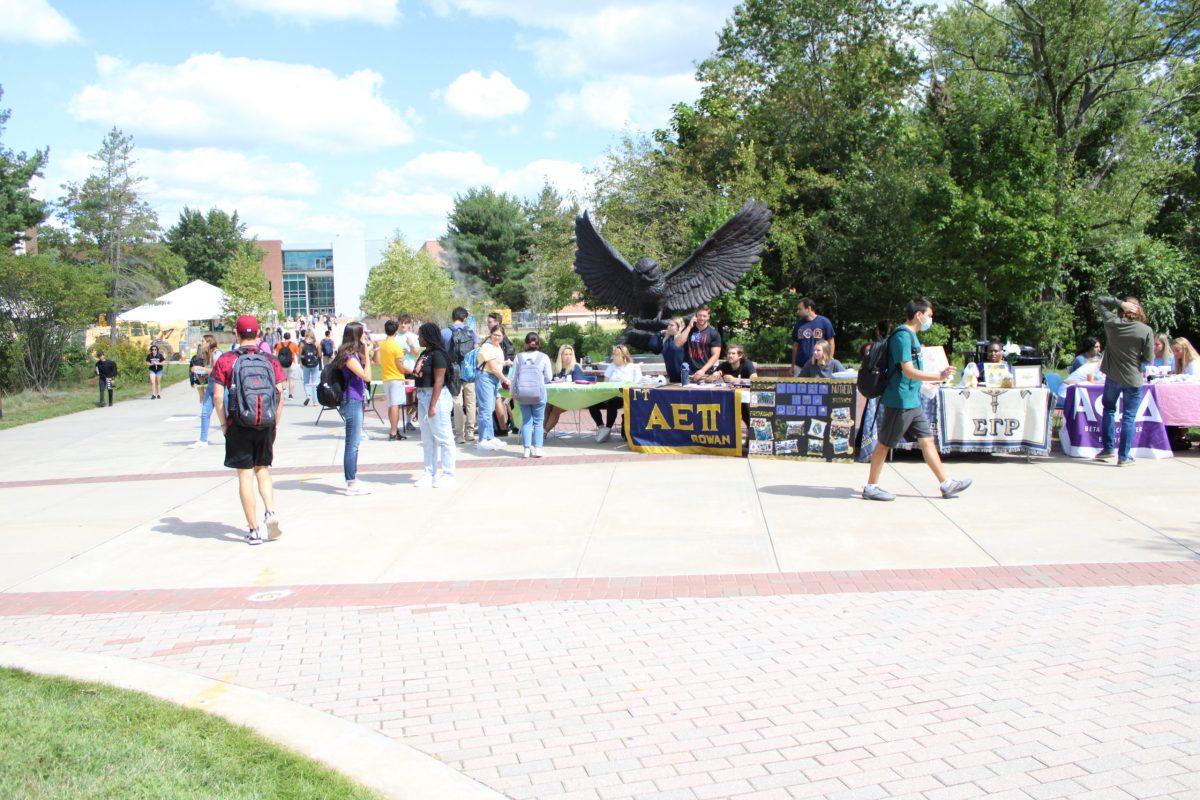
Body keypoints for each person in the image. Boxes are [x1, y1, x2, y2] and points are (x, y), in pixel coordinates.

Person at [863, 298, 972, 502]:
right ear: (918, 315)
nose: (931, 319)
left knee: (927, 440)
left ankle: (946, 484)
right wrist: (937, 377)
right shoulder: (903, 337)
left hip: (912, 400)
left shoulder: (911, 336)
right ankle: (871, 486)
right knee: (885, 443)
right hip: (900, 400)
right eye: (929, 315)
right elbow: (908, 370)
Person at [211, 315, 285, 545]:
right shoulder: (270, 360)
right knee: (263, 470)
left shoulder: (226, 360)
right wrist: (275, 423)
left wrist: (224, 424)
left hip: (239, 424)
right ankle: (270, 511)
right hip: (265, 422)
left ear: (236, 333)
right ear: (258, 333)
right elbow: (280, 391)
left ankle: (254, 530)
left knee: (244, 475)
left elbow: (217, 395)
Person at [1094, 295, 1154, 466]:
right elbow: (1149, 357)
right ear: (1139, 310)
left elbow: (1099, 301)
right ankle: (1124, 457)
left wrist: (1119, 302)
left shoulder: (1112, 322)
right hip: (1133, 378)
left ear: (1123, 309)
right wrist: (1137, 358)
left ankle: (1107, 450)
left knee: (1109, 410)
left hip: (1112, 376)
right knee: (1128, 417)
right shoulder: (1145, 330)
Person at [412, 322, 456, 488]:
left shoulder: (439, 354)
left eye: (420, 335)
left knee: (443, 436)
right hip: (423, 396)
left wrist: (432, 405)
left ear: (428, 336)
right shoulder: (425, 353)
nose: (418, 338)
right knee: (427, 438)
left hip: (436, 397)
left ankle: (448, 474)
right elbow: (420, 375)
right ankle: (429, 472)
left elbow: (439, 381)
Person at [335, 321, 373, 495]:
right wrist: (366, 353)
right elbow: (366, 376)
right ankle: (350, 482)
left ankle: (353, 479)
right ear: (356, 335)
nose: (365, 336)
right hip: (351, 401)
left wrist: (367, 353)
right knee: (352, 443)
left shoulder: (352, 354)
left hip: (356, 400)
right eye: (363, 333)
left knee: (355, 442)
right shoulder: (348, 356)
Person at [509, 332, 553, 458]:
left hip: (523, 395)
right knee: (539, 422)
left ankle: (526, 449)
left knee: (526, 421)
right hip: (539, 394)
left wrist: (512, 393)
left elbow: (513, 377)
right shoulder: (543, 357)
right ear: (538, 343)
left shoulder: (518, 357)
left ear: (526, 343)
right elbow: (549, 377)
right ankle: (538, 448)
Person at [442, 307, 479, 445]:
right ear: (464, 318)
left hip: (453, 370)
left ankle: (459, 435)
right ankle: (470, 432)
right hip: (469, 371)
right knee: (470, 401)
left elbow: (442, 351)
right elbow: (476, 349)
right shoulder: (471, 331)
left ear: (453, 317)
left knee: (457, 402)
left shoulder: (445, 332)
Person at [591, 345, 642, 442]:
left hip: (624, 396)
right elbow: (605, 383)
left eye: (617, 354)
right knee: (592, 403)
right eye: (613, 354)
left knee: (613, 402)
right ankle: (602, 428)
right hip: (609, 394)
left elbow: (636, 384)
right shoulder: (611, 366)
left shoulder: (634, 367)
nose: (614, 356)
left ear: (624, 355)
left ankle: (608, 428)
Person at [475, 326, 511, 451]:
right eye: (495, 334)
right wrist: (505, 380)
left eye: (499, 335)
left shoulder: (498, 347)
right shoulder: (487, 347)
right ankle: (482, 440)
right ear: (490, 334)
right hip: (486, 378)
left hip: (494, 379)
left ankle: (490, 437)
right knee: (485, 410)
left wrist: (505, 363)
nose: (497, 337)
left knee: (490, 409)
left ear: (503, 337)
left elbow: (497, 364)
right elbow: (493, 368)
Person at [545, 344, 591, 433]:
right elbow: (549, 382)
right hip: (558, 397)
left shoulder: (575, 367)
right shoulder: (556, 368)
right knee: (546, 405)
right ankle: (539, 431)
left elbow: (579, 385)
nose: (568, 357)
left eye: (570, 354)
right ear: (561, 356)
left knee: (556, 408)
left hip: (573, 398)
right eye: (565, 354)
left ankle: (544, 432)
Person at [379, 319, 410, 441]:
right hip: (396, 378)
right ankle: (393, 432)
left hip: (386, 377)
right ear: (396, 330)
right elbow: (400, 367)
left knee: (391, 405)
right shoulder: (397, 347)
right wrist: (412, 371)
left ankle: (394, 429)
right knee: (395, 405)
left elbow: (377, 360)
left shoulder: (382, 345)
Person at [188, 334, 221, 449]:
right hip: (211, 386)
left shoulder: (217, 354)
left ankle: (232, 439)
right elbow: (209, 371)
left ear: (209, 342)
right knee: (205, 413)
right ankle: (203, 440)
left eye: (202, 341)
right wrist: (198, 371)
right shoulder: (208, 355)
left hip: (220, 387)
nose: (200, 343)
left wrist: (201, 369)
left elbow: (217, 370)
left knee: (225, 415)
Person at [791, 297, 836, 377]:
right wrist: (793, 365)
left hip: (818, 366)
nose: (797, 312)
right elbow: (795, 346)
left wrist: (829, 359)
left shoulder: (824, 322)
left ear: (808, 308)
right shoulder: (798, 324)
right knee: (799, 389)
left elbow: (831, 342)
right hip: (800, 365)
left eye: (800, 309)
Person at [396, 314, 421, 432]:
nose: (403, 325)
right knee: (396, 397)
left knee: (410, 395)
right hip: (397, 370)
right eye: (401, 322)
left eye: (405, 323)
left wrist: (410, 346)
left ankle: (409, 421)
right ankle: (395, 422)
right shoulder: (394, 337)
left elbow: (417, 353)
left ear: (409, 324)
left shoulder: (413, 337)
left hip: (410, 369)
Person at [682, 306, 722, 380]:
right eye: (699, 315)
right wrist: (689, 326)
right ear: (696, 316)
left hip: (705, 373)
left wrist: (702, 370)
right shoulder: (688, 330)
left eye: (704, 316)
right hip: (688, 372)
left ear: (708, 317)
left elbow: (716, 355)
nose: (701, 318)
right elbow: (679, 343)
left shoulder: (713, 334)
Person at [651, 317, 687, 382]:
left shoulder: (682, 339)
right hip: (672, 378)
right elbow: (653, 346)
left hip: (684, 377)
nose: (668, 327)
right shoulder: (666, 340)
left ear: (678, 327)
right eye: (668, 325)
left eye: (672, 325)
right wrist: (659, 333)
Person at [299, 331, 321, 407]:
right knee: (315, 382)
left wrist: (301, 363)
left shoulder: (302, 343)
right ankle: (315, 402)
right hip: (315, 364)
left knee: (306, 381)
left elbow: (299, 354)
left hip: (305, 364)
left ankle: (308, 395)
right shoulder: (317, 343)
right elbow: (320, 354)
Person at [275, 333, 298, 399]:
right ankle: (291, 395)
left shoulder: (279, 345)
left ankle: (284, 392)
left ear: (283, 337)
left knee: (283, 379)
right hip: (291, 363)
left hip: (282, 364)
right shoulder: (293, 344)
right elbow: (297, 353)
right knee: (291, 380)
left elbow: (277, 355)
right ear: (290, 337)